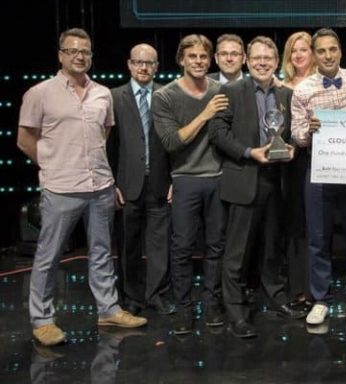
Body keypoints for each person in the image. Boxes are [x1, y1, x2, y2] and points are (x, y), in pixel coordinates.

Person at [17, 28, 147, 347]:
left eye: (85, 52)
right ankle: (43, 320)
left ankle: (108, 309)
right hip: (61, 188)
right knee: (49, 256)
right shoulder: (40, 92)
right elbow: (25, 139)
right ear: (61, 54)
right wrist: (53, 164)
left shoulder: (102, 93)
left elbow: (103, 135)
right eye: (73, 51)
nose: (80, 56)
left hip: (100, 186)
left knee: (102, 252)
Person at [209, 35, 305, 338]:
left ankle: (275, 297)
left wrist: (292, 149)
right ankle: (236, 311)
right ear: (248, 62)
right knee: (237, 252)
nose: (263, 63)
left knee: (272, 247)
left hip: (277, 181)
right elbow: (218, 132)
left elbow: (290, 133)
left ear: (276, 62)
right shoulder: (231, 90)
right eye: (257, 59)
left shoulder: (285, 95)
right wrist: (250, 152)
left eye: (268, 58)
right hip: (245, 178)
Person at [291, 28, 346, 327]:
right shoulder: (302, 90)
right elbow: (296, 135)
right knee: (317, 237)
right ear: (314, 54)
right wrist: (308, 131)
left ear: (339, 51)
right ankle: (320, 299)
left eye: (332, 49)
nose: (327, 55)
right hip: (319, 168)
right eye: (321, 50)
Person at [153, 34, 229, 335]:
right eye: (192, 57)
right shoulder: (166, 96)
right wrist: (206, 114)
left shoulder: (222, 90)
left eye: (203, 57)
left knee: (216, 246)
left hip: (218, 178)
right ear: (181, 59)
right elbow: (172, 142)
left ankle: (211, 303)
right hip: (185, 179)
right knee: (182, 247)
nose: (198, 62)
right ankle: (184, 307)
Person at [108, 43, 175, 316]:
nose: (143, 67)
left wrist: (175, 179)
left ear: (157, 66)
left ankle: (156, 294)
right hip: (126, 184)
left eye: (149, 63)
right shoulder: (113, 97)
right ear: (129, 64)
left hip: (160, 181)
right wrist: (111, 182)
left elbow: (175, 142)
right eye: (138, 62)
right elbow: (107, 146)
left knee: (160, 244)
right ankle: (131, 297)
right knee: (128, 245)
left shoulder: (168, 94)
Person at [280, 31, 316, 309]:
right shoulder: (280, 86)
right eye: (294, 50)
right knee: (295, 226)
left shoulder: (323, 84)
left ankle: (317, 287)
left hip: (319, 160)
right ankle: (297, 287)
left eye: (304, 49)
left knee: (317, 225)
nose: (299, 54)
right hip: (290, 163)